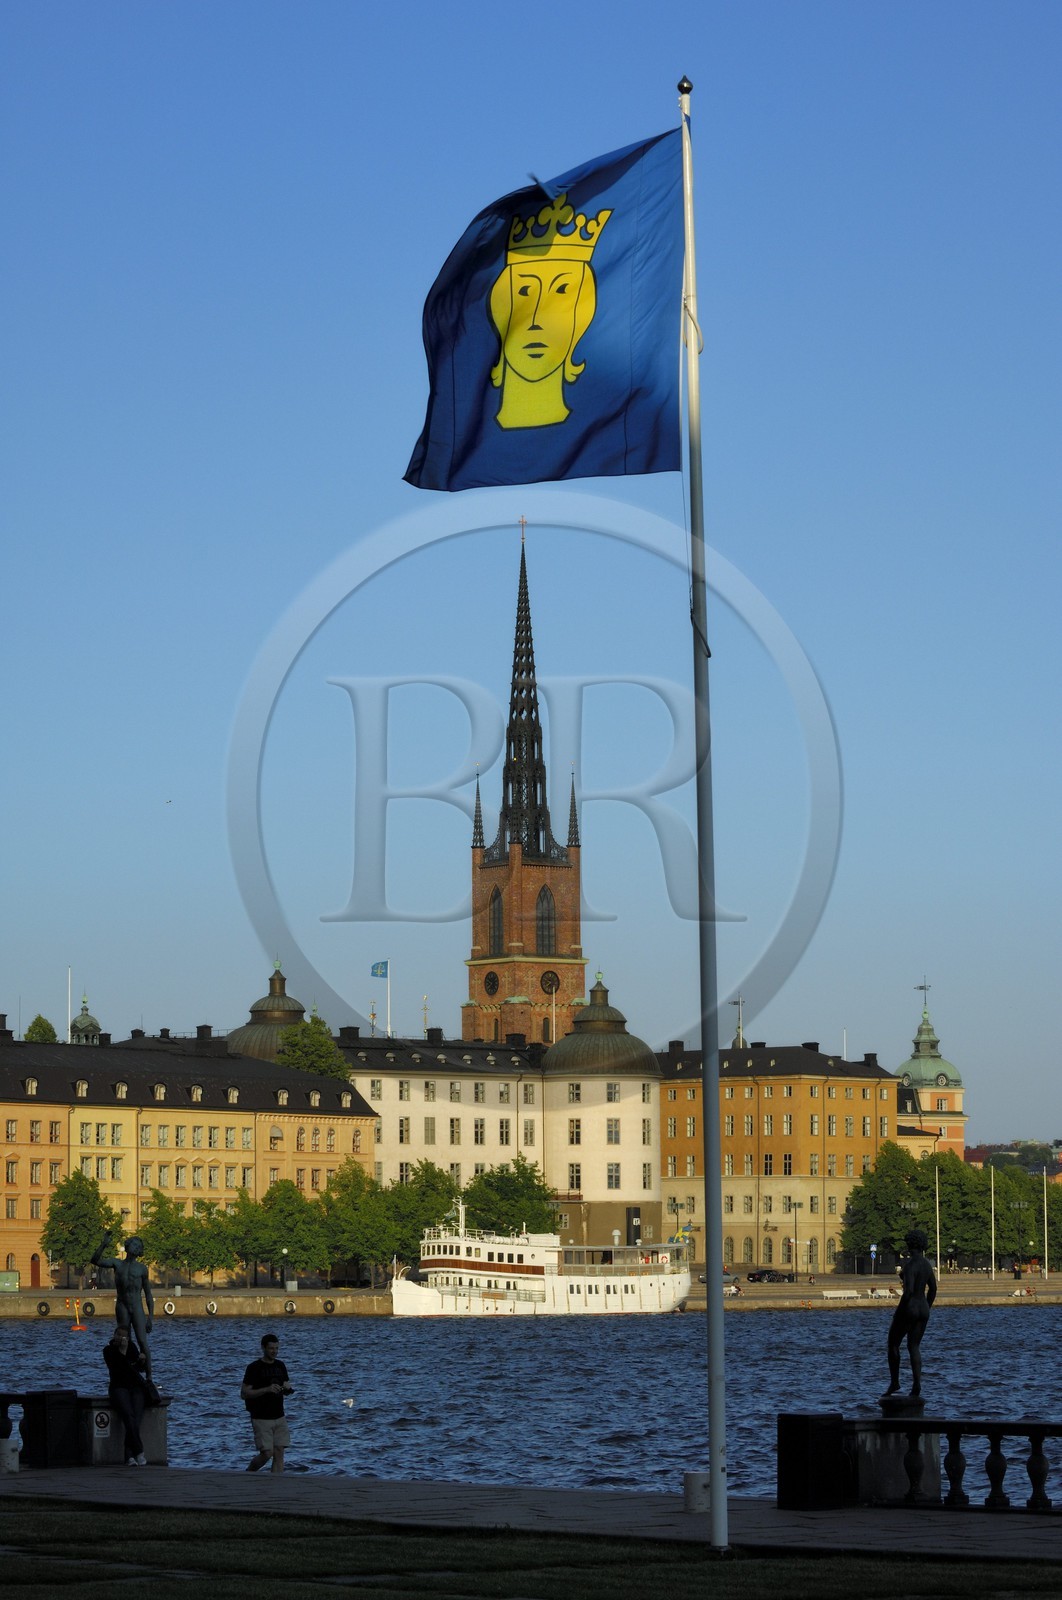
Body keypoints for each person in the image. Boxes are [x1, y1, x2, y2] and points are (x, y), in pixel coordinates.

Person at [884, 1228, 937, 1398]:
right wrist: (927, 1306)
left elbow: (908, 1293)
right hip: (923, 1309)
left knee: (893, 1343)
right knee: (914, 1346)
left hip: (910, 1308)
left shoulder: (910, 1266)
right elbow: (933, 1289)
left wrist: (899, 1312)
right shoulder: (927, 1265)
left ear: (909, 1245)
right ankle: (917, 1385)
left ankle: (895, 1382)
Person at [92, 1232, 155, 1374]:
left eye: (137, 1246)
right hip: (122, 1306)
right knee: (124, 1341)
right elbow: (95, 1261)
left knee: (142, 1341)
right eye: (133, 1244)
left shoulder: (142, 1269)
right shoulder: (117, 1264)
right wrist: (104, 1244)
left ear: (139, 1251)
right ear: (127, 1247)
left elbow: (148, 1294)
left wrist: (150, 1317)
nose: (134, 1247)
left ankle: (149, 1377)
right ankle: (126, 1372)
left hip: (137, 1306)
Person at [241, 1333, 293, 1473]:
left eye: (276, 1348)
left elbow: (285, 1387)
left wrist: (287, 1389)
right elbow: (244, 1393)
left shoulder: (280, 1365)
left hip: (279, 1416)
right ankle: (249, 1473)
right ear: (263, 1348)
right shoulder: (254, 1367)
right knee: (267, 1453)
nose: (274, 1351)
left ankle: (277, 1484)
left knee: (279, 1451)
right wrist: (266, 1390)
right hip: (261, 1417)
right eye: (271, 1348)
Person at [104, 1326, 150, 1466]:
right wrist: (122, 1353)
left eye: (124, 1336)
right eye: (118, 1335)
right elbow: (117, 1369)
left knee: (135, 1418)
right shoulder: (108, 1350)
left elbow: (138, 1369)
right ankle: (139, 1451)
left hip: (135, 1386)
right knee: (128, 1415)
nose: (120, 1339)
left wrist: (141, 1360)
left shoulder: (132, 1347)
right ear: (114, 1335)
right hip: (118, 1387)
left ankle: (129, 1456)